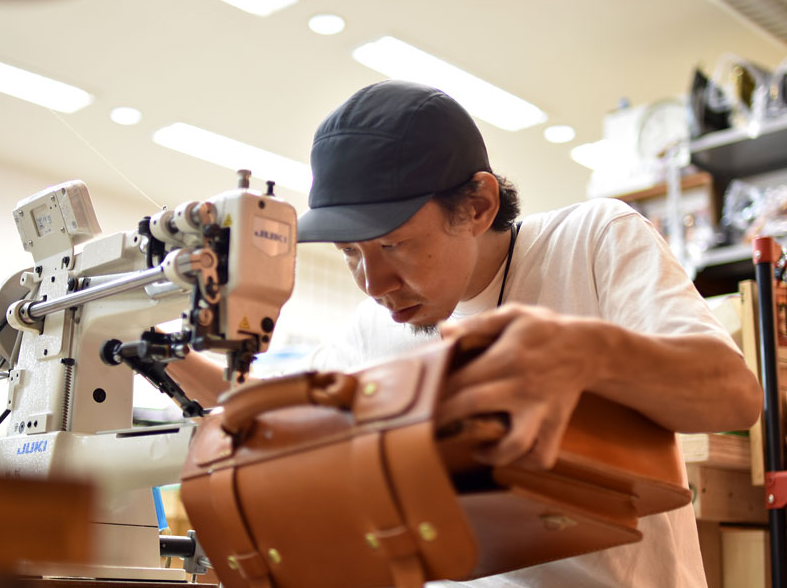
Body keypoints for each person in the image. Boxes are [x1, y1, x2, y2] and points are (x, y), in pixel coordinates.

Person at [171, 80, 762, 587]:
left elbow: (733, 395)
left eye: (393, 244)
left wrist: (583, 351)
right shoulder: (372, 331)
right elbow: (258, 417)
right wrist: (148, 348)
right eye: (351, 253)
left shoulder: (590, 239)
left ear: (477, 205)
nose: (373, 282)